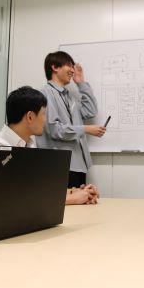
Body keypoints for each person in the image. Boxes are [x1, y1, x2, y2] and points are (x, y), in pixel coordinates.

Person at [0, 86, 99, 205]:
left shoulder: (30, 145)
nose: (45, 120)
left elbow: (39, 188)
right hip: (1, 218)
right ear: (30, 117)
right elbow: (19, 194)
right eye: (44, 114)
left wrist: (76, 192)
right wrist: (72, 199)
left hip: (28, 216)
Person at [36, 51, 105, 188]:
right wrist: (85, 129)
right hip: (60, 166)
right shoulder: (46, 93)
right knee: (67, 202)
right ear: (55, 67)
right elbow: (54, 129)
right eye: (69, 65)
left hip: (79, 165)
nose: (73, 70)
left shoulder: (68, 96)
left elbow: (90, 111)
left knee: (80, 200)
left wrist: (81, 83)